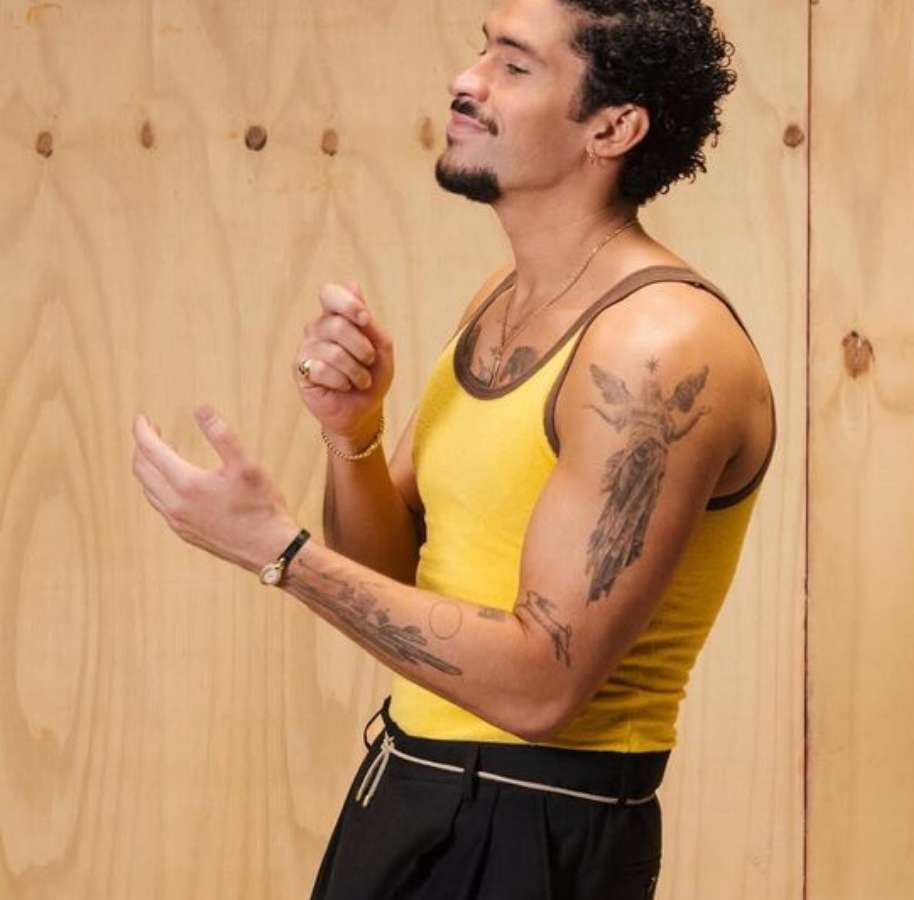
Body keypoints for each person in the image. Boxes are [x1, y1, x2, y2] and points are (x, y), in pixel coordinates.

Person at [132, 0, 775, 896]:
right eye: (482, 52)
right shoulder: (505, 298)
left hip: (535, 819)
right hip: (411, 783)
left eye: (514, 65)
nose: (466, 81)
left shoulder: (656, 347)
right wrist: (354, 435)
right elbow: (394, 575)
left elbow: (541, 689)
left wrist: (278, 551)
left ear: (612, 128)